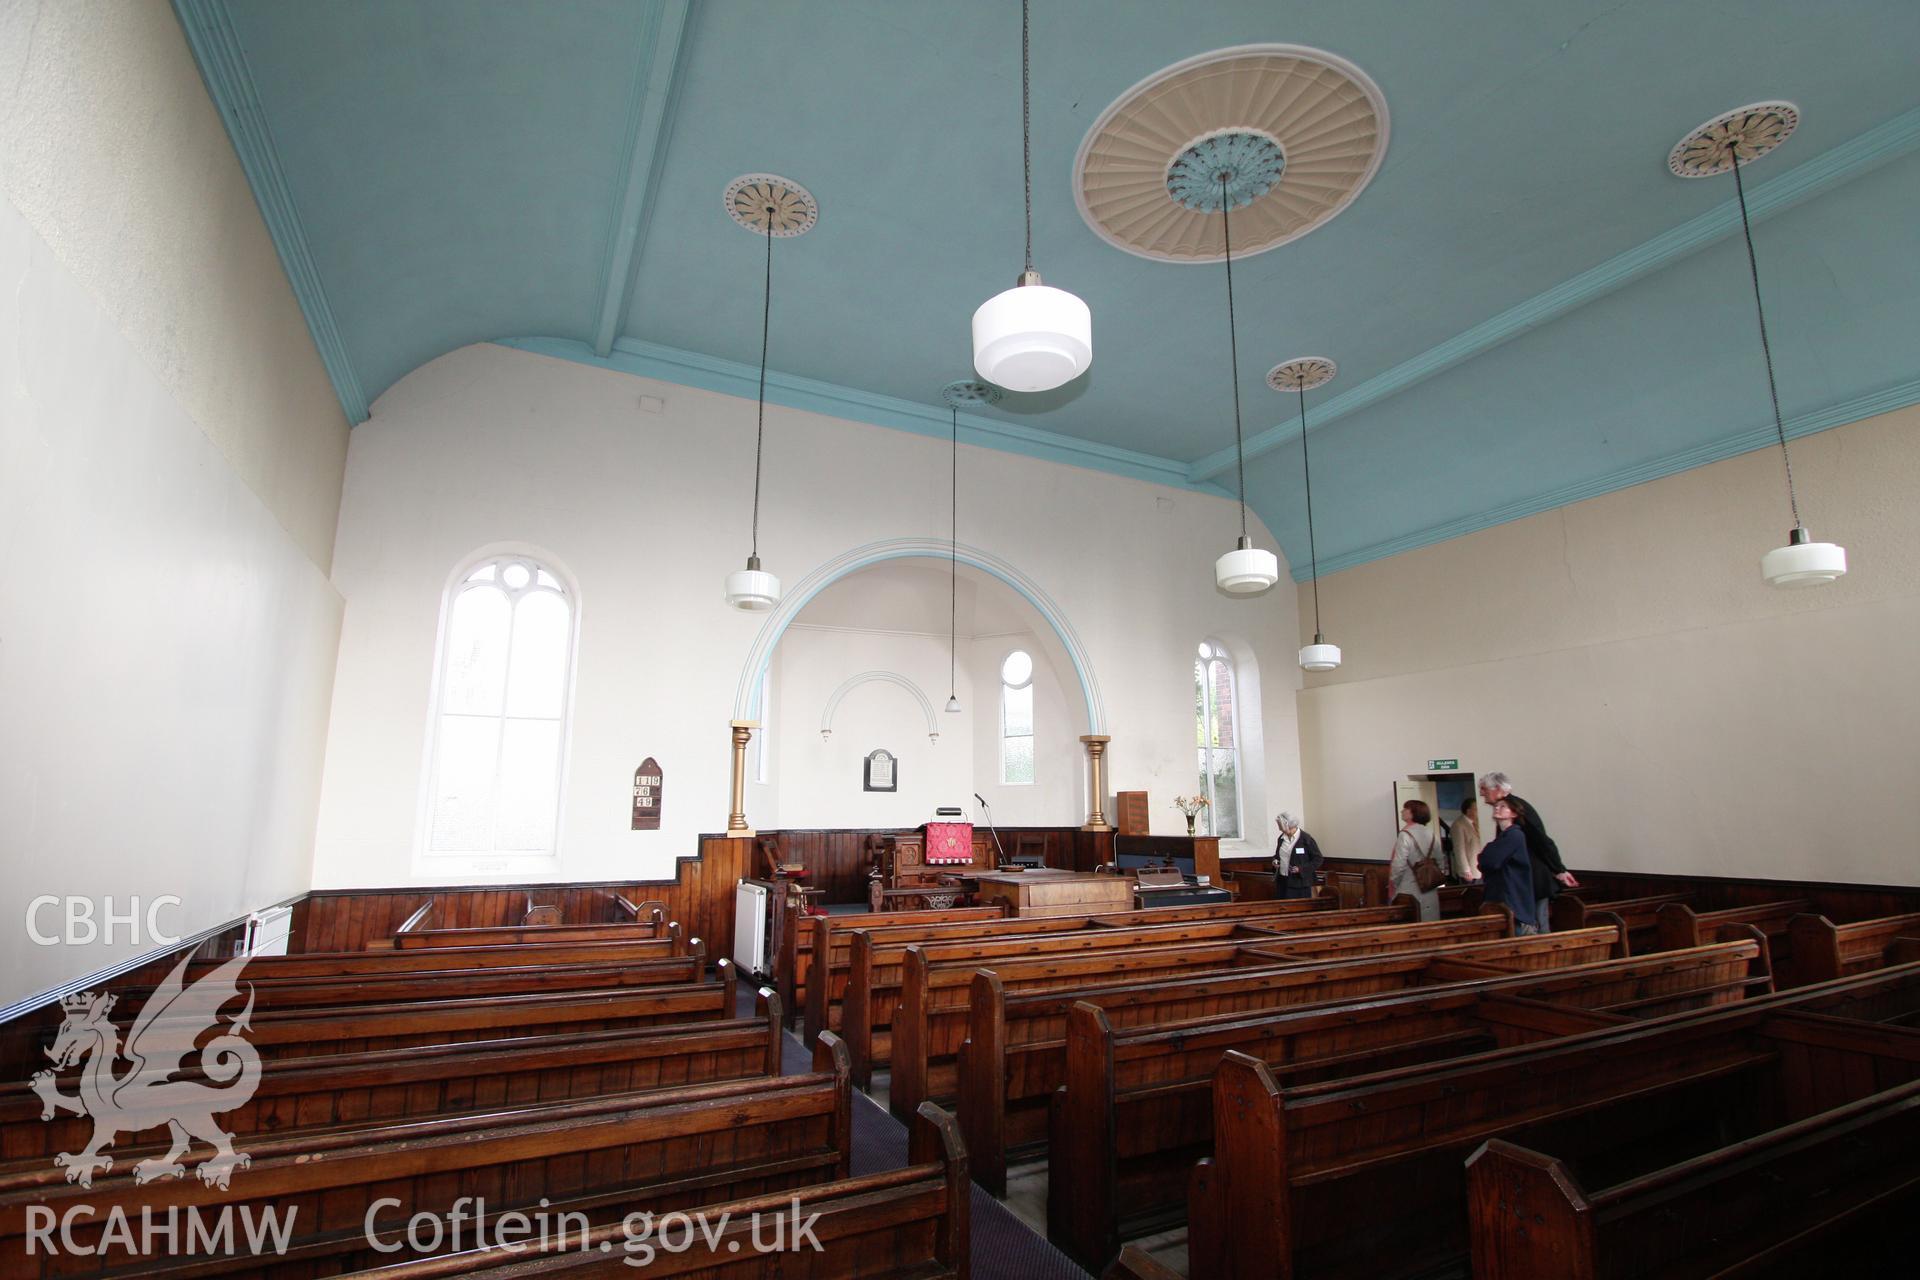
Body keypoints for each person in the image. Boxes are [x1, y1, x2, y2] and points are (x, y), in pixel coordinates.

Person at [1479, 772, 1576, 932]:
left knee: (1535, 925)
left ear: (1497, 789)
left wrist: (1559, 869)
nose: (1482, 793)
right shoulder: (1508, 814)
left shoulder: (1517, 808)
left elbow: (1542, 840)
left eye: (1484, 789)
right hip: (1521, 878)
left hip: (1533, 878)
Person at [1479, 795, 1540, 933]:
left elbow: (1491, 861)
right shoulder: (1503, 836)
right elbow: (1484, 861)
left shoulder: (1515, 835)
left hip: (1511, 896)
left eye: (1503, 806)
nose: (1497, 808)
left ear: (1513, 813)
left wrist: (1485, 856)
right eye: (1496, 806)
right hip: (1500, 894)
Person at [1388, 799, 1443, 921]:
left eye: (1405, 808)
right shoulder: (1431, 833)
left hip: (1409, 891)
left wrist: (1395, 884)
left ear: (1413, 813)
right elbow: (1441, 862)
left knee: (1412, 929)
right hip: (1430, 888)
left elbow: (1398, 865)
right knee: (1430, 927)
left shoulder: (1405, 835)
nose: (1402, 811)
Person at [1273, 813, 1324, 899]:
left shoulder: (1306, 839)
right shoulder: (1281, 839)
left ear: (1288, 825)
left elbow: (1318, 859)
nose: (1279, 828)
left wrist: (1301, 869)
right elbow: (1278, 855)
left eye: (1280, 825)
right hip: (1283, 881)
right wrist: (1275, 860)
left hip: (1300, 883)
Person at [1449, 798, 1484, 882]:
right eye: (1476, 809)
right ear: (1468, 811)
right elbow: (1459, 849)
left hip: (1479, 867)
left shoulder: (1476, 822)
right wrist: (1466, 870)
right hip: (1470, 870)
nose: (1478, 811)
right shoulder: (1459, 825)